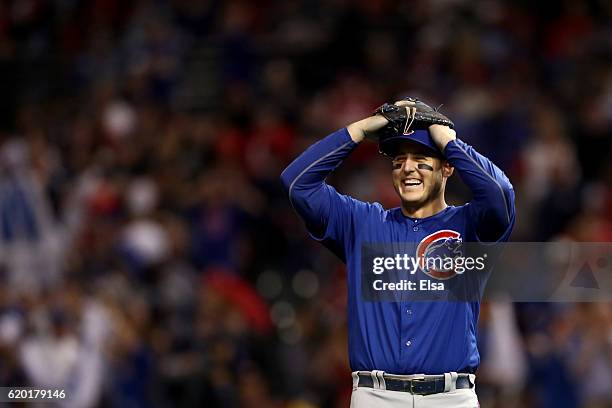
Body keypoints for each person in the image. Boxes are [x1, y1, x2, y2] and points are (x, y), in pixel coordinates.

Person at [280, 99, 515, 407]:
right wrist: (362, 129)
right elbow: (298, 183)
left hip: (451, 398)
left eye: (421, 158)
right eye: (398, 159)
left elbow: (500, 194)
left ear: (447, 167)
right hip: (375, 395)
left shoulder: (470, 227)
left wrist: (449, 142)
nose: (407, 168)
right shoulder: (362, 224)